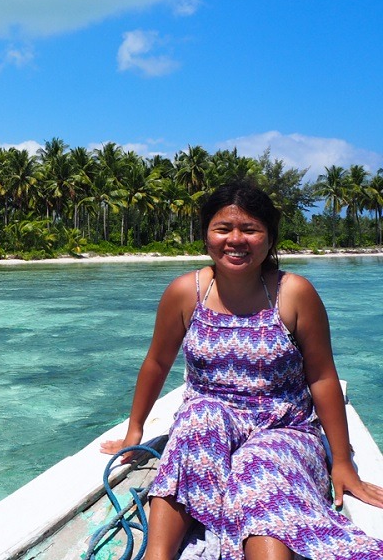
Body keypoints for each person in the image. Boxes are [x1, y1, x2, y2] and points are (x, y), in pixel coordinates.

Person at [100, 180, 383, 560]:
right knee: (198, 422)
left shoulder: (294, 293)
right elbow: (157, 362)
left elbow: (322, 377)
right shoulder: (187, 292)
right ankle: (157, 555)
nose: (236, 239)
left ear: (269, 239)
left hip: (284, 425)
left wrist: (343, 463)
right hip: (211, 417)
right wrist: (134, 430)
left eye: (250, 229)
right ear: (206, 236)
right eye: (223, 229)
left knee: (261, 463)